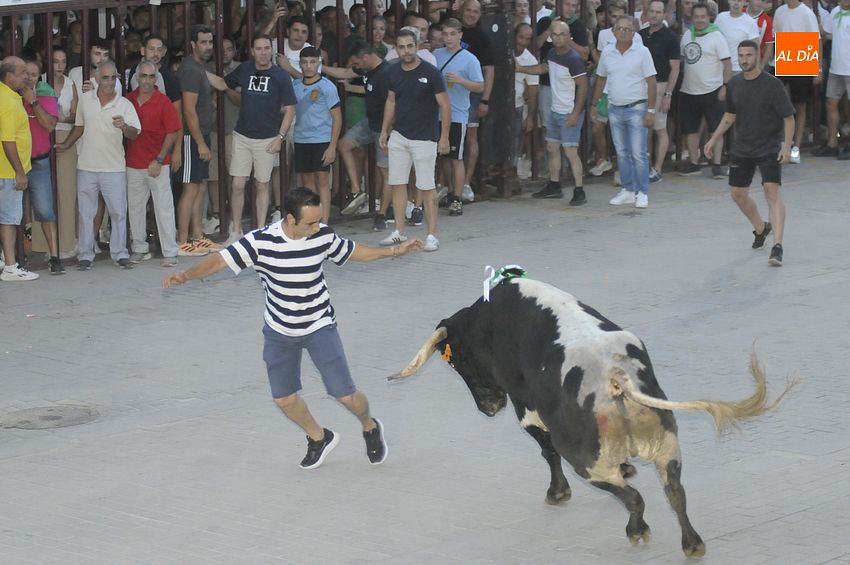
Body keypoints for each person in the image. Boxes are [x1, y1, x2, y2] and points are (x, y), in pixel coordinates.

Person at [163, 187, 423, 469]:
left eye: (319, 220)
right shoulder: (261, 241)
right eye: (310, 222)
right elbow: (220, 260)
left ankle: (370, 426)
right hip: (280, 330)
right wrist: (187, 275)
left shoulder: (322, 235)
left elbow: (354, 252)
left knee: (345, 394)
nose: (317, 227)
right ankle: (318, 437)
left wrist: (395, 250)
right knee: (284, 398)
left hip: (319, 324)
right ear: (289, 219)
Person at [704, 40, 794, 267]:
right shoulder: (734, 84)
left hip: (769, 146)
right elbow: (730, 116)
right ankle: (761, 228)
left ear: (757, 57)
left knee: (771, 192)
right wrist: (713, 139)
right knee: (737, 194)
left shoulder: (772, 85)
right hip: (742, 147)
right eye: (741, 56)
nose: (744, 59)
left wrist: (786, 147)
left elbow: (788, 117)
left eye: (748, 55)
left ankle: (777, 246)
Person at [55, 61, 140, 270]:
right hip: (87, 166)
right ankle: (85, 255)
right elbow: (79, 127)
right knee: (86, 213)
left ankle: (120, 253)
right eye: (106, 77)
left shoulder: (125, 104)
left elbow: (135, 133)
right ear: (97, 79)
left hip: (114, 168)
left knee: (118, 212)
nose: (110, 82)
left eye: (114, 77)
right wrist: (66, 144)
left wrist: (124, 126)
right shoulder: (85, 100)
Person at [212, 34, 296, 241]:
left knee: (261, 184)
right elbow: (224, 84)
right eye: (259, 48)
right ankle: (236, 230)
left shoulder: (281, 75)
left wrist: (280, 137)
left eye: (267, 48)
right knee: (238, 184)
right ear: (252, 51)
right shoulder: (245, 69)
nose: (263, 52)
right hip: (242, 135)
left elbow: (291, 108)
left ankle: (259, 232)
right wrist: (197, 73)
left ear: (271, 50)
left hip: (267, 138)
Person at [379, 29, 451, 252]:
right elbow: (391, 102)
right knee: (397, 183)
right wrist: (384, 130)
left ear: (417, 45)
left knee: (427, 187)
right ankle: (399, 232)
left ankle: (431, 235)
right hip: (399, 135)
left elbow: (445, 105)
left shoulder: (431, 72)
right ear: (396, 49)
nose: (406, 51)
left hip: (425, 138)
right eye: (401, 47)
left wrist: (444, 137)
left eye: (410, 46)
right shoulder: (392, 72)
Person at [323, 46, 394, 230]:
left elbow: (393, 102)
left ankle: (382, 214)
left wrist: (387, 130)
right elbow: (346, 73)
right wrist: (319, 68)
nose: (357, 66)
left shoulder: (386, 73)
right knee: (343, 145)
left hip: (383, 128)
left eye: (358, 62)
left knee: (385, 172)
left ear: (367, 57)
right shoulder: (367, 69)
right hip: (370, 122)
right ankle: (356, 189)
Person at [594, 16, 657, 209]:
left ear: (634, 33)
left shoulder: (642, 52)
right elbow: (601, 78)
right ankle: (628, 190)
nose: (623, 32)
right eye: (619, 29)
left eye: (628, 29)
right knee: (621, 153)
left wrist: (651, 110)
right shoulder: (607, 52)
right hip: (615, 107)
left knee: (638, 153)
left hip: (637, 107)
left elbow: (651, 82)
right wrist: (594, 104)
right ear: (613, 31)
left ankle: (642, 191)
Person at [126, 60, 182, 268]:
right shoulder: (128, 100)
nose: (148, 80)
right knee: (136, 208)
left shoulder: (164, 101)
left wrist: (159, 159)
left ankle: (170, 251)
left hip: (158, 163)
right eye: (144, 76)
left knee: (164, 208)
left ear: (156, 78)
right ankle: (139, 248)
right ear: (137, 77)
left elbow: (172, 131)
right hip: (133, 163)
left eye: (152, 76)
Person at [176, 25, 220, 257]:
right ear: (193, 44)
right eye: (203, 42)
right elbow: (188, 111)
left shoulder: (200, 68)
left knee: (199, 187)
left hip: (200, 135)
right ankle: (182, 242)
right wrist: (200, 143)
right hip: (192, 138)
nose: (207, 46)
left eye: (210, 42)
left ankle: (198, 237)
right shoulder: (191, 70)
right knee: (191, 188)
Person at [533, 20, 588, 204]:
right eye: (554, 35)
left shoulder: (574, 59)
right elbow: (543, 69)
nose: (557, 38)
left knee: (570, 151)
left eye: (561, 34)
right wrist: (520, 68)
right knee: (552, 147)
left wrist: (575, 114)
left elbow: (583, 87)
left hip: (568, 112)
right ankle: (554, 185)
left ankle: (579, 190)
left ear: (568, 35)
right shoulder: (551, 53)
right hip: (556, 109)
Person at [433, 18, 484, 217]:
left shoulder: (470, 59)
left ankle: (457, 196)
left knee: (456, 157)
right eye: (445, 34)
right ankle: (448, 189)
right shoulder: (436, 55)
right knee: (443, 156)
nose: (448, 38)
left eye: (452, 34)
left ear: (460, 35)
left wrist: (461, 80)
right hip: (436, 114)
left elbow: (480, 85)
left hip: (457, 114)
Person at [677, 2, 731, 178]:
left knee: (715, 129)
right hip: (689, 90)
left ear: (709, 18)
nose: (699, 20)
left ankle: (716, 164)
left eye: (703, 17)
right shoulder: (687, 36)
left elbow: (727, 64)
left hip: (712, 89)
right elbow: (683, 60)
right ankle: (694, 163)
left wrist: (725, 86)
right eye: (696, 17)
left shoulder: (717, 36)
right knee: (690, 130)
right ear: (691, 18)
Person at [21, 58, 64, 274]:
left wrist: (33, 102)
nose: (28, 77)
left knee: (46, 211)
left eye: (33, 74)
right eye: (25, 73)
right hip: (13, 164)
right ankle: (14, 259)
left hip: (38, 161)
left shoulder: (46, 95)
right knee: (11, 214)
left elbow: (49, 126)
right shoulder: (9, 96)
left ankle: (55, 258)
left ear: (39, 77)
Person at [291, 46, 341, 224]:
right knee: (307, 183)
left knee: (322, 182)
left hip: (322, 139)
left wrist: (332, 147)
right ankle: (310, 221)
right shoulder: (295, 85)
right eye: (305, 62)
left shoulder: (327, 86)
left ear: (319, 62)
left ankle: (324, 222)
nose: (308, 66)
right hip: (301, 139)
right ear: (300, 64)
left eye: (312, 62)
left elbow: (337, 118)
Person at [0, 56, 38, 281]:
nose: (26, 76)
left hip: (6, 170)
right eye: (22, 72)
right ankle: (11, 267)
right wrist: (19, 172)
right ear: (9, 76)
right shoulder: (7, 102)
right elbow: (7, 140)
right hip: (8, 171)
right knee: (9, 219)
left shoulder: (8, 96)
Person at [772, 0, 821, 162]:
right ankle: (782, 143)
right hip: (784, 59)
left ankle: (796, 147)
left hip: (802, 60)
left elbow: (816, 40)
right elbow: (775, 37)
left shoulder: (807, 13)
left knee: (800, 106)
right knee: (780, 105)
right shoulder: (779, 12)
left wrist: (817, 69)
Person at [639, 0, 680, 183]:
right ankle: (645, 167)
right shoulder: (639, 35)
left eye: (658, 12)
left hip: (660, 85)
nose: (654, 14)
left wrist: (668, 94)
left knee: (660, 128)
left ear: (664, 14)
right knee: (644, 128)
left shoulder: (670, 37)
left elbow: (675, 68)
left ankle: (657, 169)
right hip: (640, 86)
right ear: (647, 13)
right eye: (652, 11)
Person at [459, 0, 494, 201]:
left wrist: (485, 100)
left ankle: (465, 184)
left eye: (475, 11)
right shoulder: (452, 31)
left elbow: (489, 71)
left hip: (472, 95)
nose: (472, 14)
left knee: (470, 138)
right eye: (469, 10)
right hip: (450, 92)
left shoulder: (482, 38)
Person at [818, 0, 850, 159]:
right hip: (836, 67)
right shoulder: (835, 11)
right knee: (831, 103)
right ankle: (832, 143)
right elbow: (824, 31)